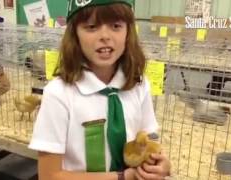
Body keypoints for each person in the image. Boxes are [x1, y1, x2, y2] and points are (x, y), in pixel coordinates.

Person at [28, 0, 171, 179]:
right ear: (75, 34)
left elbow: (149, 141)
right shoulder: (58, 94)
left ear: (128, 32)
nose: (105, 35)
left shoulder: (139, 85)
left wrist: (161, 163)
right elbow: (49, 175)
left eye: (116, 26)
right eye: (91, 26)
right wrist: (121, 177)